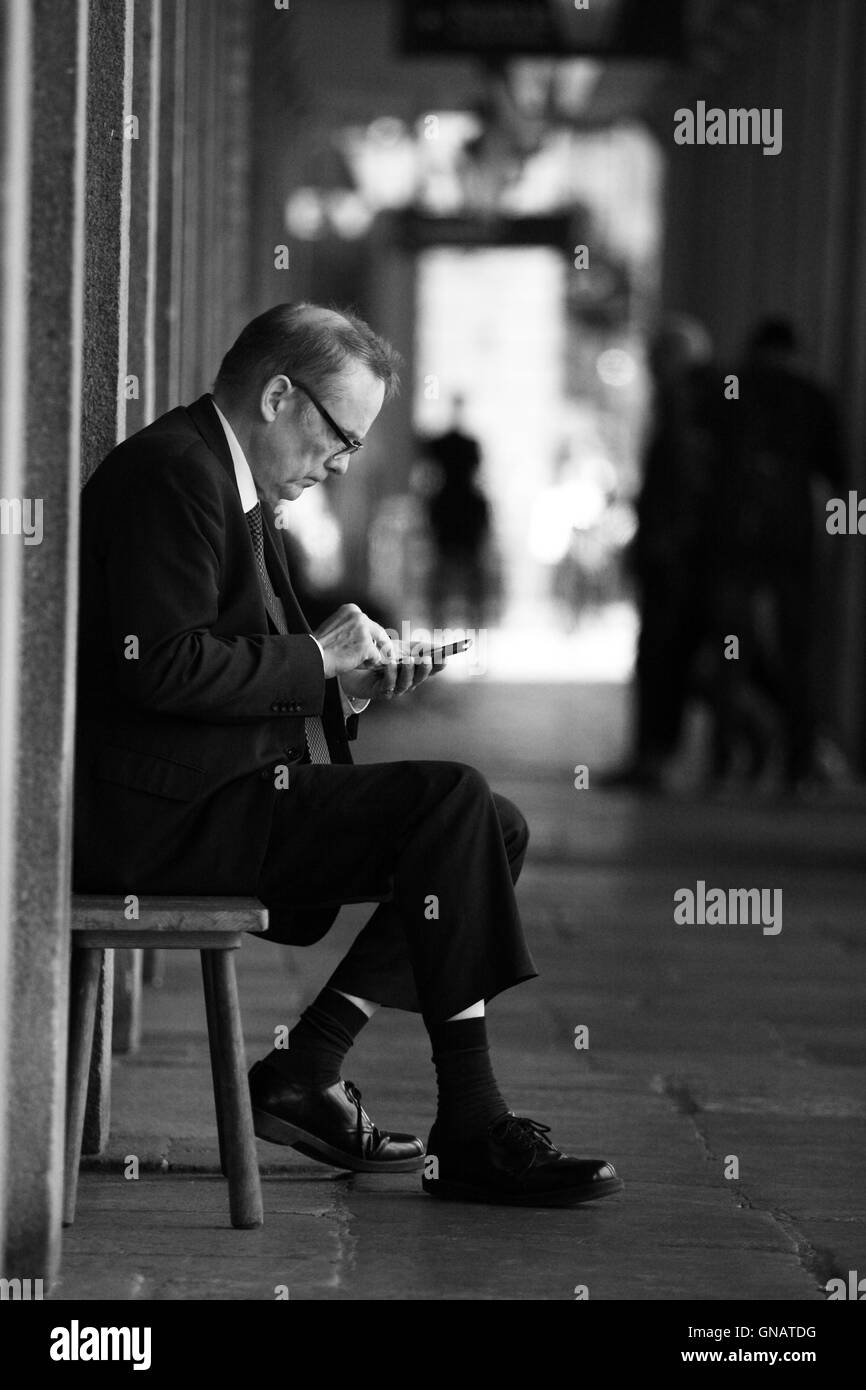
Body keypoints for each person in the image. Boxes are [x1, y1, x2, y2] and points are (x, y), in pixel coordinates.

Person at [74, 302, 622, 1208]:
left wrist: (348, 683)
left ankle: (310, 1064)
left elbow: (231, 668)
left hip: (214, 795)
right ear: (279, 396)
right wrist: (316, 658)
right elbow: (155, 665)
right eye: (340, 439)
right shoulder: (177, 473)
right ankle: (470, 1124)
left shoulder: (224, 480)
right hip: (158, 820)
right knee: (453, 801)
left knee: (490, 823)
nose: (337, 465)